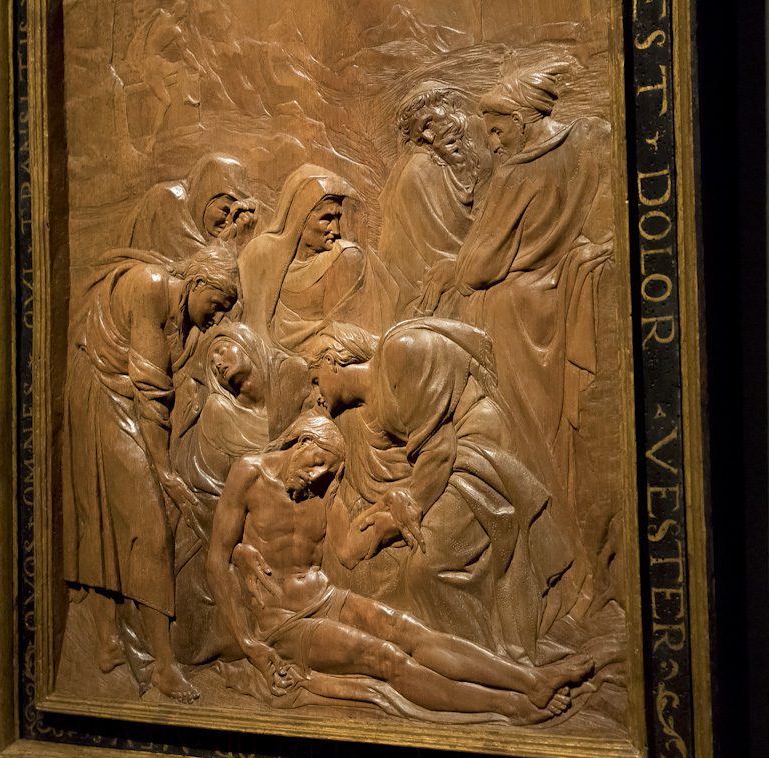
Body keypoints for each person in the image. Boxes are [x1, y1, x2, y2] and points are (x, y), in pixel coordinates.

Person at [206, 412, 592, 723]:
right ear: (303, 441)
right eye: (319, 461)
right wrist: (249, 644)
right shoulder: (249, 474)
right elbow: (216, 561)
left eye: (329, 469)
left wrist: (389, 504)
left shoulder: (322, 488)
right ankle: (509, 706)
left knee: (409, 631)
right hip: (284, 623)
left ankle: (531, 681)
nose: (319, 474)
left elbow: (349, 551)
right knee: (385, 658)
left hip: (326, 598)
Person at [308, 320, 581, 662]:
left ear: (332, 361)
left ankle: (490, 666)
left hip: (476, 450)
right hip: (450, 461)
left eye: (315, 380)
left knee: (428, 567)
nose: (316, 395)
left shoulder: (398, 353)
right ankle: (480, 663)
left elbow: (439, 449)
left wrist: (407, 509)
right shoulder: (372, 405)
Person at [420, 60, 614, 538]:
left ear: (523, 120)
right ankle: (563, 524)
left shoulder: (518, 175)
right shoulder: (589, 142)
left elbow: (479, 268)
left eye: (497, 130)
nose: (492, 142)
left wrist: (454, 270)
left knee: (521, 432)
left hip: (514, 318)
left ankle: (542, 533)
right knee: (552, 434)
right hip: (556, 305)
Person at [62, 241, 239, 702]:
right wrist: (164, 472)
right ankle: (162, 664)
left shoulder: (183, 313)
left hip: (120, 397)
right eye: (217, 303)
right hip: (102, 394)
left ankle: (108, 642)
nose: (219, 316)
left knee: (109, 518)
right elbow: (151, 390)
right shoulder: (151, 287)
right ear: (196, 282)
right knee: (145, 523)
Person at [167, 322, 310, 664]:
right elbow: (205, 487)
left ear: (246, 342)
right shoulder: (218, 413)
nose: (217, 362)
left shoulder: (290, 378)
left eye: (221, 349)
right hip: (222, 528)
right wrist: (237, 546)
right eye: (211, 361)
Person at [237, 164, 395, 354]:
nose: (336, 230)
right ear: (300, 216)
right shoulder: (261, 255)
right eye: (326, 218)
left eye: (338, 218)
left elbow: (344, 336)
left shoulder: (343, 259)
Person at [377, 81, 483, 318]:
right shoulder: (420, 171)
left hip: (452, 279)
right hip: (428, 297)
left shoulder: (439, 164)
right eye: (453, 137)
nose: (460, 144)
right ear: (426, 130)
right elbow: (445, 246)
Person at [122, 152, 260, 258]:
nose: (229, 222)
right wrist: (223, 246)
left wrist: (242, 240)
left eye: (235, 217)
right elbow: (196, 270)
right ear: (205, 195)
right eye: (225, 210)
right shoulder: (167, 199)